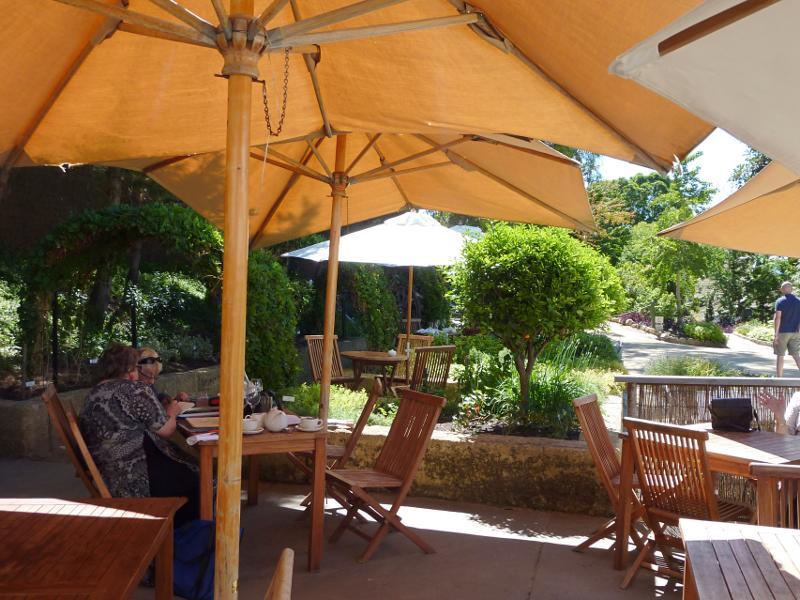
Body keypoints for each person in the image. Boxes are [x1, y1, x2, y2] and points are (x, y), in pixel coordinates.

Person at [79, 343, 199, 526]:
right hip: (136, 477)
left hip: (111, 472)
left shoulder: (93, 394)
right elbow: (166, 430)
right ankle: (182, 538)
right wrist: (173, 412)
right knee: (198, 477)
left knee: (187, 468)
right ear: (129, 369)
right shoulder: (133, 389)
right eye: (136, 366)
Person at [774, 281, 800, 377]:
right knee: (796, 356)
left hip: (782, 332)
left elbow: (778, 318)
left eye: (781, 288)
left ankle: (779, 380)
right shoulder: (799, 301)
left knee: (780, 356)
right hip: (796, 332)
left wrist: (776, 335)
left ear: (782, 289)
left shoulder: (780, 301)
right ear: (791, 289)